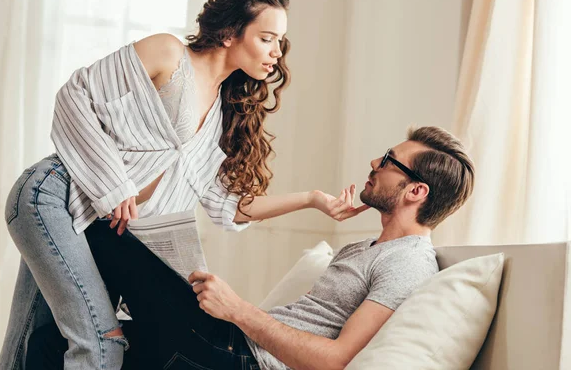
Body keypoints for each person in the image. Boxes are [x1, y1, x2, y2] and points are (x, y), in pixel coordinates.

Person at [0, 0, 368, 369]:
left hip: (92, 226)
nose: (277, 52)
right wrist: (116, 184)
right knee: (101, 341)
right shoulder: (169, 54)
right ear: (229, 33)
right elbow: (75, 97)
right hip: (51, 196)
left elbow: (229, 206)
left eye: (280, 41)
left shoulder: (222, 115)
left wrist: (312, 200)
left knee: (31, 341)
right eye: (267, 38)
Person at [27, 126, 475, 369]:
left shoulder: (409, 262)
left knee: (107, 231)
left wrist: (237, 309)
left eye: (390, 162)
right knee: (52, 341)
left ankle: (41, 191)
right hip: (226, 342)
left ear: (415, 192)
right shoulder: (367, 246)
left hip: (239, 357)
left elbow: (336, 362)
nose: (375, 164)